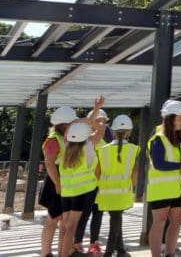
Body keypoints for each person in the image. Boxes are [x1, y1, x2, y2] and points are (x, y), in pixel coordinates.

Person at [58, 97, 106, 257]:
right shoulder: (89, 146)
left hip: (67, 192)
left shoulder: (66, 145)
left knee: (65, 225)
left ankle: (63, 253)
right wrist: (92, 115)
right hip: (83, 191)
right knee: (72, 226)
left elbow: (70, 131)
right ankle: (66, 253)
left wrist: (79, 121)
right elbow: (101, 130)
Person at [147, 99, 181, 257]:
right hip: (161, 190)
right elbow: (159, 164)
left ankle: (170, 254)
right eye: (180, 118)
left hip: (177, 189)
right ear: (169, 118)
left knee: (177, 221)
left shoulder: (180, 138)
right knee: (159, 223)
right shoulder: (158, 139)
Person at [95, 114, 138, 257]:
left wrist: (102, 184)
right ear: (129, 132)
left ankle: (121, 250)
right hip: (123, 191)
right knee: (116, 219)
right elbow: (135, 172)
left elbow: (97, 172)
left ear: (113, 131)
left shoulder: (103, 150)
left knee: (115, 217)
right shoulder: (132, 149)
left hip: (106, 191)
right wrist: (130, 185)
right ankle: (109, 252)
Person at [76, 108, 114, 256]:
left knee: (97, 214)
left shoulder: (106, 142)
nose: (102, 124)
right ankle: (77, 243)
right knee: (83, 214)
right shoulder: (85, 139)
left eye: (103, 121)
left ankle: (94, 244)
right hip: (86, 184)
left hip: (100, 184)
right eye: (98, 121)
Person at [40, 105, 77, 257]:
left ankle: (65, 252)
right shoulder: (54, 139)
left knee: (63, 220)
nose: (74, 125)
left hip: (63, 182)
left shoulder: (65, 138)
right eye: (72, 122)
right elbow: (49, 163)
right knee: (53, 219)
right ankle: (46, 253)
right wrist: (57, 184)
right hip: (56, 183)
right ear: (64, 124)